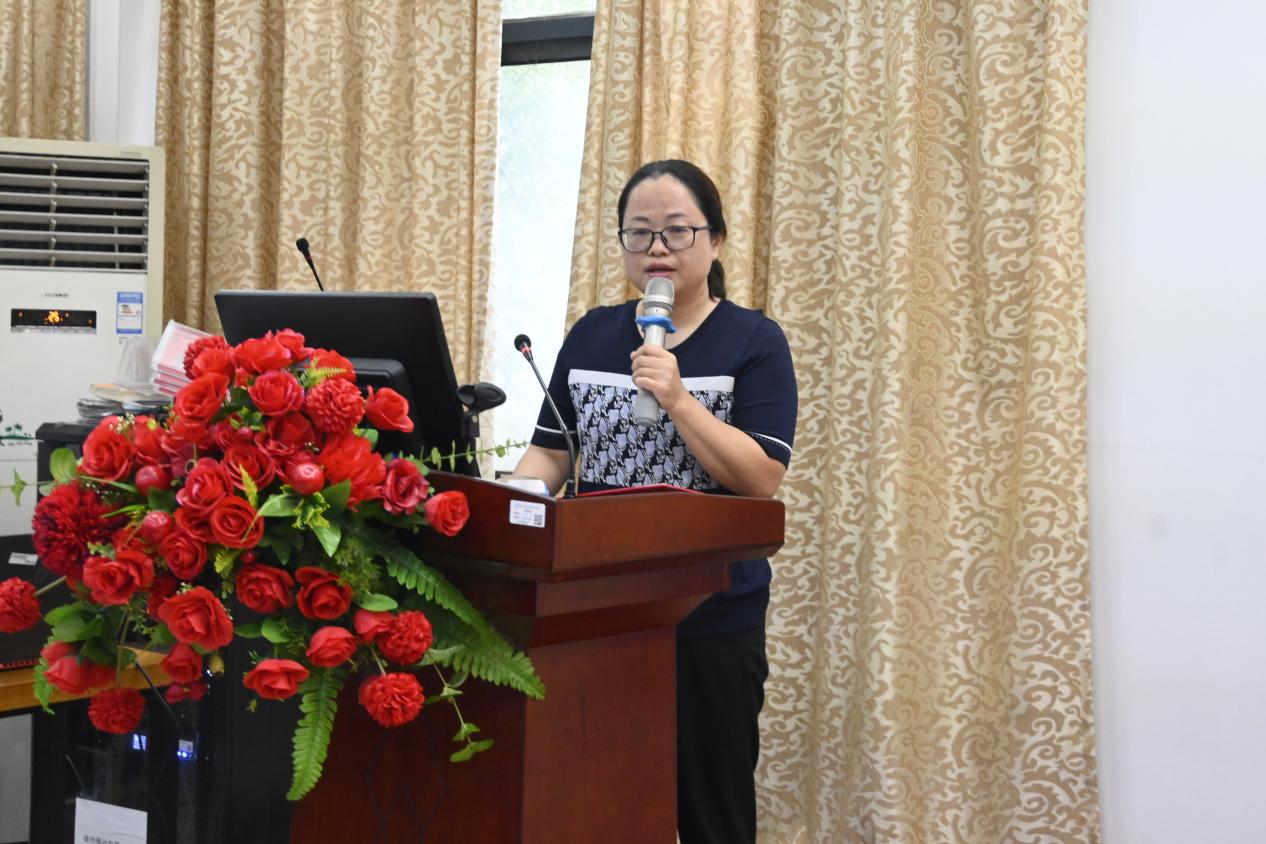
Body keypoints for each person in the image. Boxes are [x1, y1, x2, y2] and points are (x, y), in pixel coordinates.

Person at [514, 159, 797, 843]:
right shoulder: (592, 333)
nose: (657, 249)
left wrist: (677, 397)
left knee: (709, 816)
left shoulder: (755, 342)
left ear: (716, 240)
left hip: (710, 616)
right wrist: (514, 507)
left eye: (677, 231)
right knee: (596, 805)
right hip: (595, 608)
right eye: (639, 233)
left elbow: (761, 478)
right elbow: (552, 454)